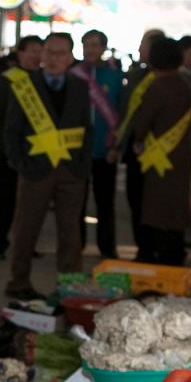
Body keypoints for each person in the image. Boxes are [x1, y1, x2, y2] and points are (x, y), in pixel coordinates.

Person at [3, 32, 91, 300]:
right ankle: (19, 282)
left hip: (70, 171)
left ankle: (69, 285)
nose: (54, 59)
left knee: (70, 232)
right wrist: (20, 163)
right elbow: (12, 129)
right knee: (26, 229)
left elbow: (87, 128)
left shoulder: (80, 86)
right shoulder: (25, 85)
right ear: (42, 55)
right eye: (49, 52)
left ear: (71, 57)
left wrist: (82, 167)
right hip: (35, 170)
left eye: (61, 53)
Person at [129, 36, 191, 266]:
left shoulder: (156, 86)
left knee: (155, 209)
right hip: (181, 155)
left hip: (157, 157)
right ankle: (176, 254)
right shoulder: (185, 85)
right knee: (176, 208)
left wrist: (138, 139)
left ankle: (155, 256)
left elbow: (141, 124)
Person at [0, 35, 42, 259]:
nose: (36, 56)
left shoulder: (44, 79)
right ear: (20, 53)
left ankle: (27, 243)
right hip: (10, 151)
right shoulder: (7, 80)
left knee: (32, 200)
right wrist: (4, 147)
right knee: (6, 199)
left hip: (36, 150)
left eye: (40, 51)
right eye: (32, 51)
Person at [113, 28, 165, 260]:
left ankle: (154, 246)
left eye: (144, 45)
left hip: (160, 151)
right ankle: (142, 246)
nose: (140, 50)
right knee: (135, 199)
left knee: (153, 200)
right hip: (135, 149)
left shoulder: (171, 79)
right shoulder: (135, 76)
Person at [75, 29, 123, 259]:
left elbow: (121, 112)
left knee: (105, 203)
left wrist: (116, 146)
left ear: (104, 48)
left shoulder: (114, 76)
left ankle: (107, 247)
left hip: (106, 150)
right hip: (78, 151)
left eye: (95, 45)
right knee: (76, 202)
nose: (90, 50)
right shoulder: (74, 74)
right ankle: (77, 244)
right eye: (86, 45)